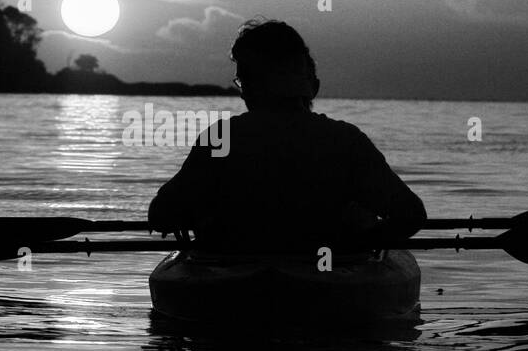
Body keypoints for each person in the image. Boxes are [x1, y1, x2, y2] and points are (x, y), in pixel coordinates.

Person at [148, 19, 425, 253]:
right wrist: (359, 244)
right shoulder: (345, 141)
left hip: (234, 277)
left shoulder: (222, 138)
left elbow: (160, 215)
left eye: (242, 82)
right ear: (312, 87)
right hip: (327, 277)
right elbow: (410, 215)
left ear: (250, 87)